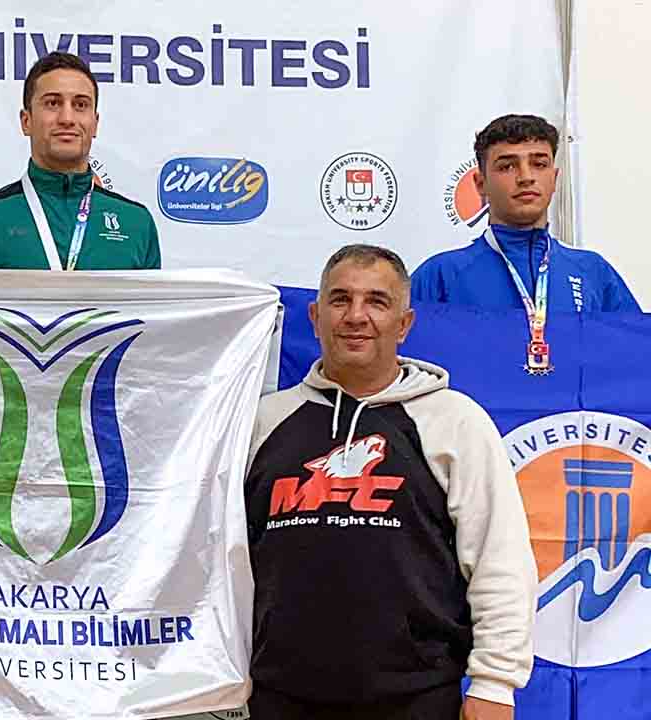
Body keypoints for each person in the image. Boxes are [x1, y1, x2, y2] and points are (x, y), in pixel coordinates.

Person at [245, 244, 536, 719]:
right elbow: (224, 562)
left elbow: (498, 558)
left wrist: (495, 683)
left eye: (377, 302)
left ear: (404, 324)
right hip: (277, 696)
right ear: (315, 317)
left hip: (417, 699)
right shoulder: (262, 423)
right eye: (340, 299)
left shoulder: (455, 421)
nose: (356, 316)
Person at [0, 52, 160, 270]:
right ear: (27, 121)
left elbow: (157, 307)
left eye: (80, 105)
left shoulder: (136, 223)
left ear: (95, 123)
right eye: (53, 103)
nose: (67, 118)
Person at [411, 114, 639, 312]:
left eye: (539, 164)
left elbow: (633, 345)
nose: (526, 177)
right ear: (481, 184)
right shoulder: (440, 276)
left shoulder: (594, 272)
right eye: (507, 166)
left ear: (554, 178)